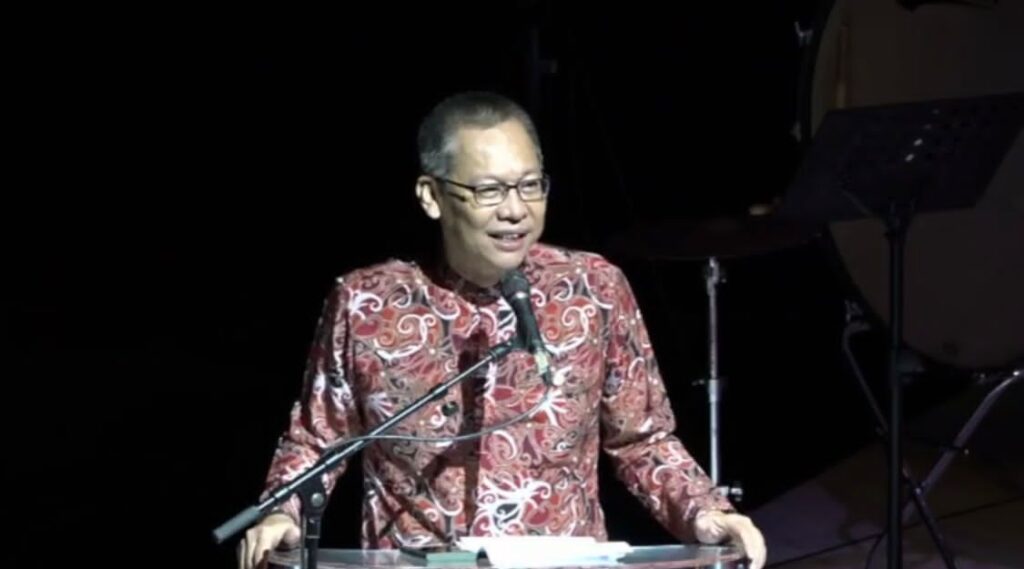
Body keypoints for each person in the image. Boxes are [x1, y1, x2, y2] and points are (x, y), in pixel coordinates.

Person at [238, 91, 766, 569]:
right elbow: (318, 439)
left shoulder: (594, 288)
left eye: (530, 186)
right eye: (489, 190)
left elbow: (642, 440)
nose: (515, 210)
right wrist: (282, 512)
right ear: (431, 195)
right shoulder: (365, 302)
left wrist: (706, 512)